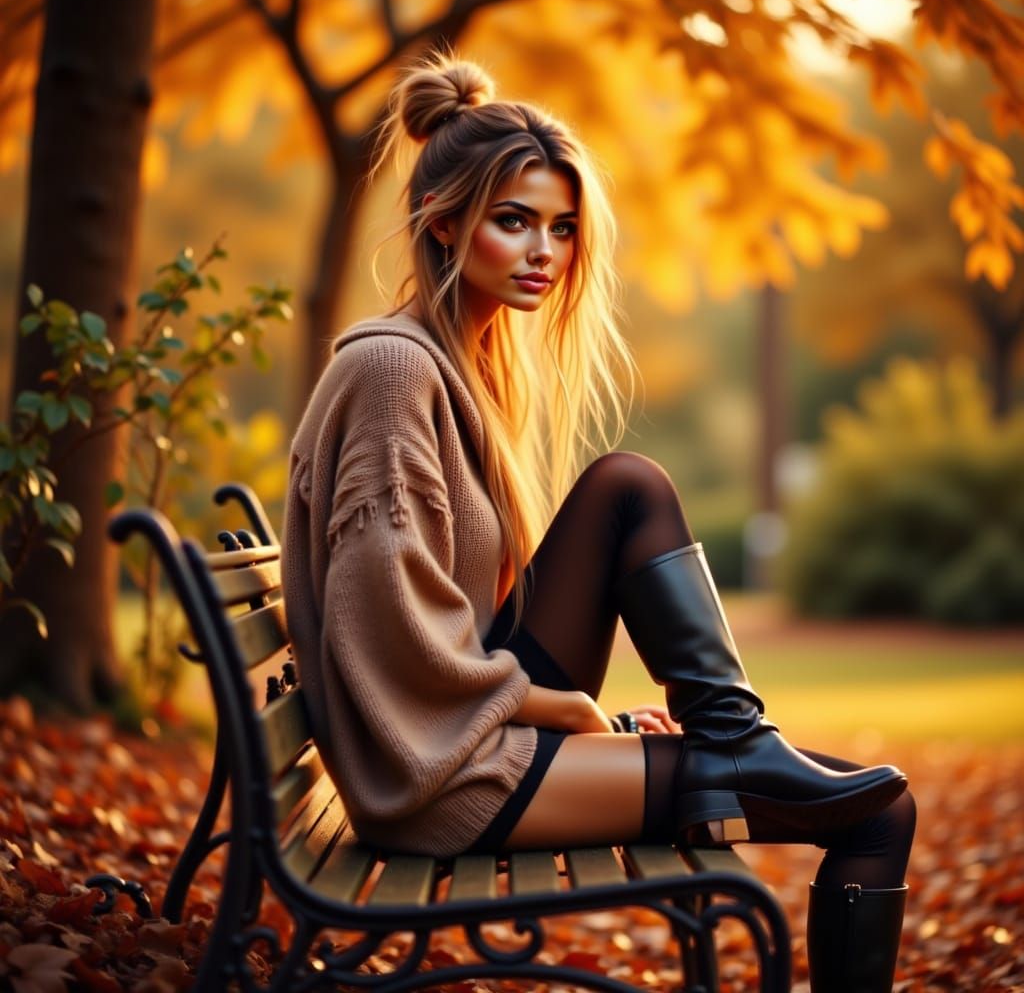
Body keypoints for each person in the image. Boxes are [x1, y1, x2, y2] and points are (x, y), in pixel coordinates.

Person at [282, 54, 916, 992]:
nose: (544, 250)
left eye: (562, 227)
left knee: (626, 485)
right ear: (443, 222)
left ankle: (733, 739)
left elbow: (456, 628)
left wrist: (588, 719)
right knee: (876, 813)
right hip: (437, 781)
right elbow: (393, 634)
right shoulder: (393, 372)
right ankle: (734, 744)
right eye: (513, 221)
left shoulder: (459, 366)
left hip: (457, 744)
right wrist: (562, 709)